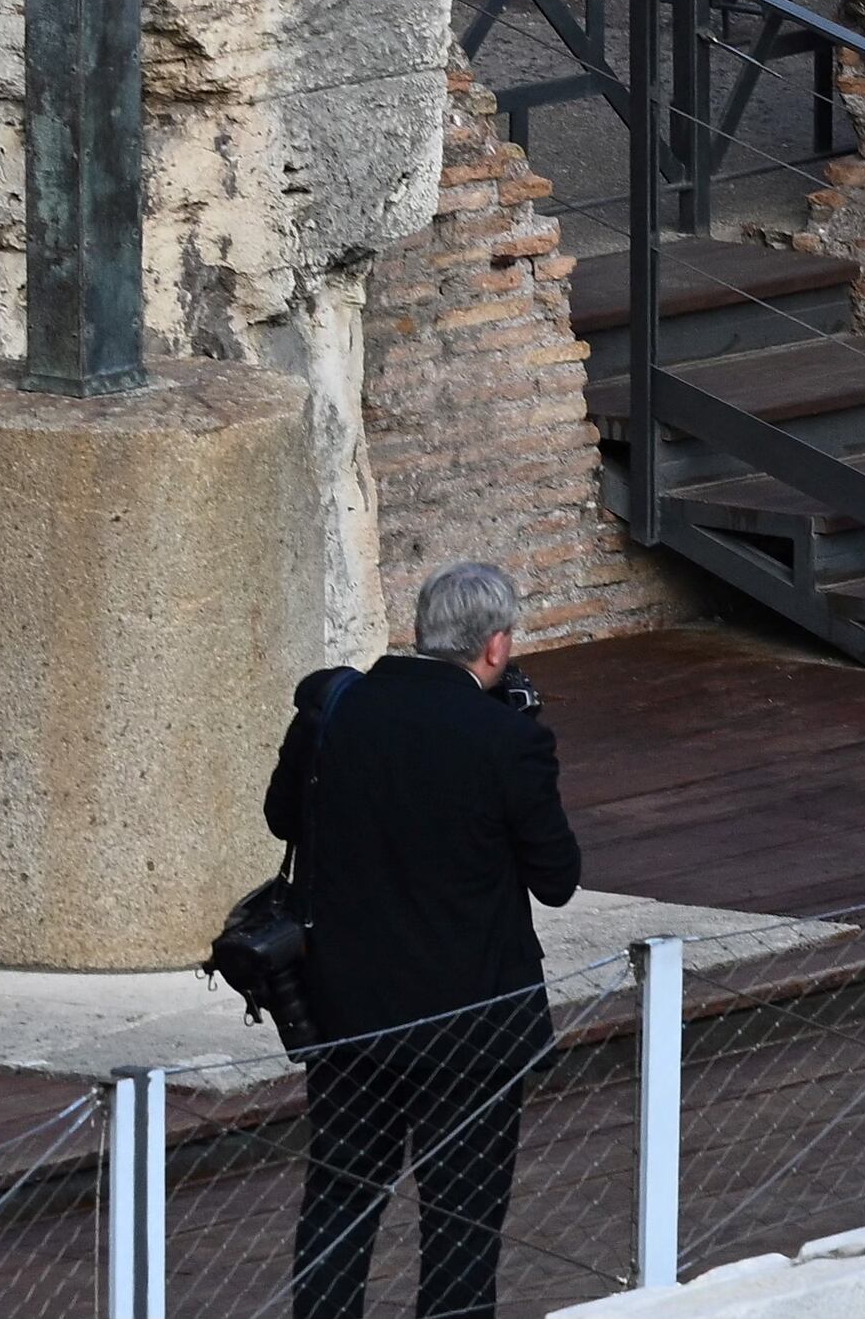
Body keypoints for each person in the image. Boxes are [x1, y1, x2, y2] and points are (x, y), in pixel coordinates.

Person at [267, 563, 587, 1319]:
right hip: (471, 1029)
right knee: (461, 1229)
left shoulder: (335, 710)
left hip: (349, 1016)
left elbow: (284, 818)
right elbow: (558, 877)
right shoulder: (508, 740)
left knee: (340, 1205)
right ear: (496, 645)